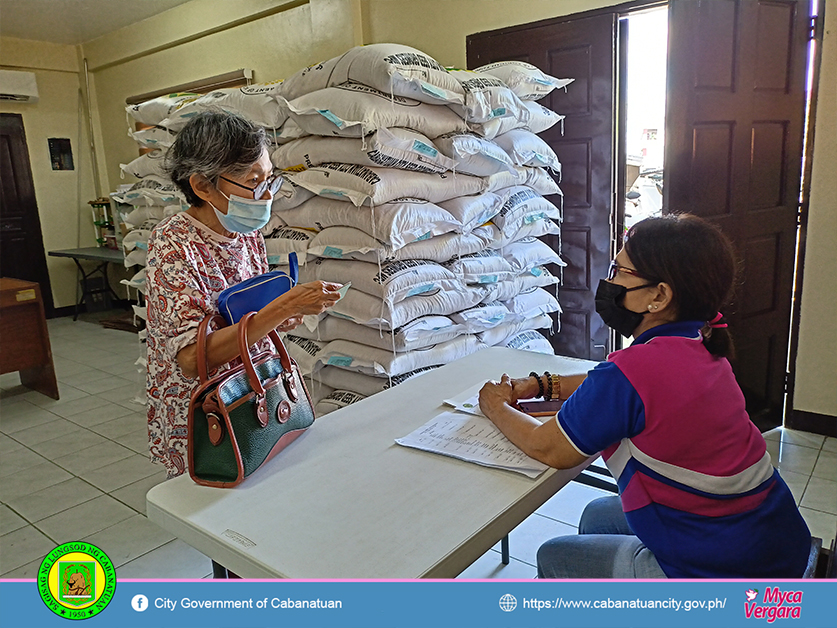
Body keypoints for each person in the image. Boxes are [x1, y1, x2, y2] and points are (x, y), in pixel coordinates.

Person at [479, 214, 811, 578]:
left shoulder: (636, 370)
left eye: (619, 272)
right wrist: (541, 384)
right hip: (775, 540)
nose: (608, 282)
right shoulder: (698, 346)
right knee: (597, 516)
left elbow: (549, 448)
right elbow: (612, 384)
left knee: (556, 556)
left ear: (659, 295)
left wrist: (496, 407)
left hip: (725, 573)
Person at [146, 110, 342, 479]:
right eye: (254, 181)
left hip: (255, 389)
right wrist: (282, 307)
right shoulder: (172, 243)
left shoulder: (246, 232)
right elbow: (191, 360)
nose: (266, 195)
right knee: (218, 497)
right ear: (203, 186)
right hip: (212, 407)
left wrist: (282, 314)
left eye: (270, 179)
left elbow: (244, 315)